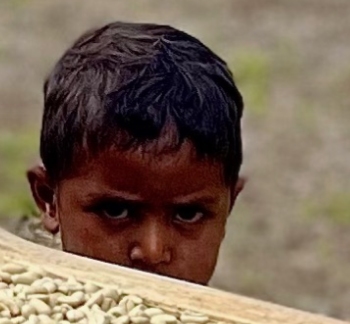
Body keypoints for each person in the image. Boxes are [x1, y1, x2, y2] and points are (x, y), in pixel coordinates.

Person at [25, 22, 244, 284]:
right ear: (50, 200)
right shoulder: (3, 312)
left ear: (228, 204)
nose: (153, 252)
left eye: (187, 215)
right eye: (116, 211)